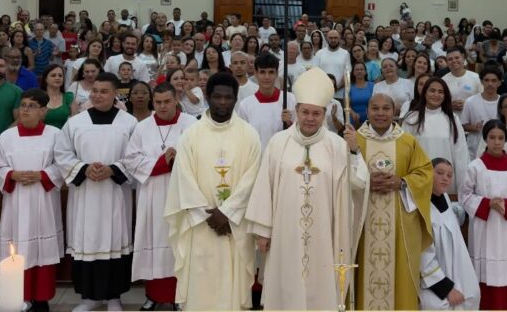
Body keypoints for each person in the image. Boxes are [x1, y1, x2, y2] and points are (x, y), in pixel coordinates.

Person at [244, 67, 370, 310]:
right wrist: (262, 231)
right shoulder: (278, 143)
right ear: (296, 111)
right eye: (305, 112)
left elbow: (358, 183)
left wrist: (353, 151)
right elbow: (264, 187)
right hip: (284, 233)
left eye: (316, 113)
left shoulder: (336, 145)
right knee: (286, 286)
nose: (310, 118)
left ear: (324, 114)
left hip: (325, 234)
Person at [165, 72, 262, 310]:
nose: (222, 102)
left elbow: (253, 178)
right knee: (201, 287)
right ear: (207, 97)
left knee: (232, 284)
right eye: (216, 97)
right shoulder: (191, 135)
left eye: (227, 98)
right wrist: (209, 216)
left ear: (235, 99)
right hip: (201, 225)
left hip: (234, 225)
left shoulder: (249, 135)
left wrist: (227, 213)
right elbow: (183, 178)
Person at [54, 72, 138, 311]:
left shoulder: (128, 122)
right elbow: (62, 154)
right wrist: (84, 168)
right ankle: (89, 298)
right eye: (95, 91)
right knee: (87, 242)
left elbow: (135, 155)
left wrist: (113, 169)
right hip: (86, 195)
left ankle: (114, 298)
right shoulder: (76, 122)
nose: (98, 95)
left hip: (115, 195)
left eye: (104, 91)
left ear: (115, 94)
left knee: (115, 241)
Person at [354, 93, 433, 310]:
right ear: (367, 111)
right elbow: (341, 176)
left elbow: (425, 173)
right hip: (362, 222)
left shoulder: (407, 142)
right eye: (375, 108)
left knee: (399, 275)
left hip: (399, 224)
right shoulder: (354, 141)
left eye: (385, 109)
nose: (380, 113)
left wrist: (402, 182)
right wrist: (365, 182)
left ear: (394, 112)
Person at [126, 83, 197, 310]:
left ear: (176, 99)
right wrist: (161, 162)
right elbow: (131, 159)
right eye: (158, 102)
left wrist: (178, 159)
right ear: (152, 102)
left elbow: (201, 155)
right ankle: (154, 295)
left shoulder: (191, 124)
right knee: (154, 240)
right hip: (153, 195)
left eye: (167, 101)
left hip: (182, 195)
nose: (162, 106)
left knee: (180, 245)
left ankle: (180, 296)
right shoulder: (142, 127)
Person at [0, 89, 65, 312]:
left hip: (43, 202)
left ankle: (41, 300)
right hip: (16, 202)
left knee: (42, 252)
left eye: (31, 106)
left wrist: (42, 175)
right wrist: (11, 175)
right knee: (17, 251)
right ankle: (18, 299)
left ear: (43, 111)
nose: (25, 110)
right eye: (23, 105)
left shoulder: (55, 134)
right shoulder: (7, 136)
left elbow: (62, 164)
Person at [459, 120, 507, 310]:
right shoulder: (475, 166)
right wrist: (487, 203)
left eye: (500, 138)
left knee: (506, 279)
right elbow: (465, 195)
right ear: (485, 139)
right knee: (483, 279)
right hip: (484, 229)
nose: (497, 142)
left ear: (505, 140)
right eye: (492, 137)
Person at [419, 158, 480, 310]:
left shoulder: (445, 198)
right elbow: (423, 253)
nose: (445, 178)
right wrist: (446, 288)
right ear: (428, 173)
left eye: (449, 175)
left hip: (456, 274)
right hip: (431, 281)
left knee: (472, 295)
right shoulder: (421, 205)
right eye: (440, 173)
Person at [402, 77, 469, 193]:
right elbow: (404, 153)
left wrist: (463, 189)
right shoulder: (411, 119)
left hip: (446, 182)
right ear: (425, 93)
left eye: (440, 92)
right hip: (419, 180)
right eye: (432, 91)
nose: (436, 95)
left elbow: (461, 155)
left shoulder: (452, 119)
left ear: (445, 96)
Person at [235, 53, 296, 149]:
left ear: (276, 74)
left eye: (271, 72)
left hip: (282, 158)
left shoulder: (290, 100)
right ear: (256, 74)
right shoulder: (245, 105)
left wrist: (290, 124)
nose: (267, 77)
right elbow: (242, 138)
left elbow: (300, 135)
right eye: (262, 72)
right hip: (258, 159)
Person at [460, 66, 502, 159]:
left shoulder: (504, 102)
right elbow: (463, 125)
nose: (490, 83)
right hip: (475, 149)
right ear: (481, 81)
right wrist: (474, 127)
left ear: (499, 82)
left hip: (499, 148)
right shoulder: (470, 101)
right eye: (486, 80)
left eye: (494, 80)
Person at [442, 48, 482, 114]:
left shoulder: (476, 77)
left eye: (457, 57)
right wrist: (449, 105)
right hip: (451, 119)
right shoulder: (443, 81)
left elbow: (483, 99)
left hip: (472, 119)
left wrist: (467, 104)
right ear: (447, 62)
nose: (454, 61)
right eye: (450, 59)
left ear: (463, 59)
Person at [315, 30, 350, 98]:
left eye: (335, 38)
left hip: (340, 94)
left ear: (339, 38)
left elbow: (347, 74)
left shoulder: (345, 54)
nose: (333, 40)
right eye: (331, 38)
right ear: (327, 38)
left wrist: (336, 88)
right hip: (323, 94)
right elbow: (316, 73)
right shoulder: (319, 53)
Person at [40, 64, 74, 129]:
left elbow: (75, 123)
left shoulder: (69, 97)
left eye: (60, 76)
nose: (57, 78)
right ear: (45, 79)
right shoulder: (37, 98)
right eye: (53, 75)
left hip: (64, 136)